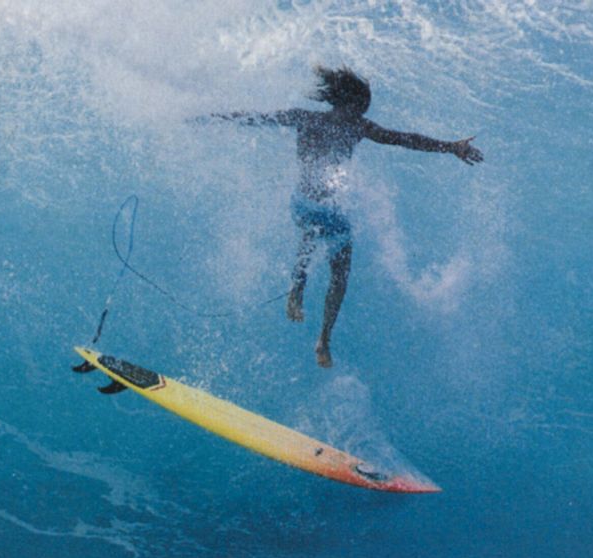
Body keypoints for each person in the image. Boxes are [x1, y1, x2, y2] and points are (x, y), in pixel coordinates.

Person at [194, 66, 483, 367]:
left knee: (309, 230)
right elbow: (404, 139)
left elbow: (256, 118)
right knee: (339, 274)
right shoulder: (358, 127)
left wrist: (211, 118)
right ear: (356, 104)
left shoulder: (306, 118)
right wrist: (450, 147)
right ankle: (323, 340)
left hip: (301, 204)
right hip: (329, 214)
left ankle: (297, 287)